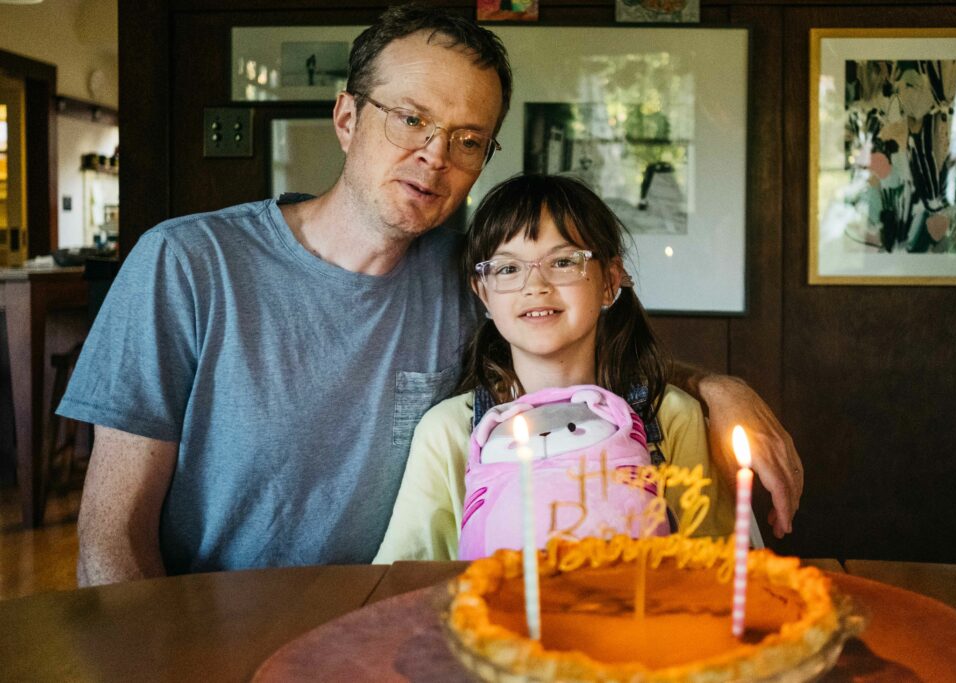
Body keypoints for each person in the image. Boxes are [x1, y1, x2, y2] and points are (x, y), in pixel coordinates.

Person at [60, 4, 801, 586]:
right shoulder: (188, 263)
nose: (435, 156)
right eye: (411, 118)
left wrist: (714, 386)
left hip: (382, 627)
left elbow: (581, 357)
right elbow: (110, 534)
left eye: (468, 139)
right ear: (348, 118)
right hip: (216, 627)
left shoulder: (471, 272)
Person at [374, 174, 734, 562]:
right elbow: (405, 575)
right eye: (508, 269)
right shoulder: (449, 431)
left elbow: (714, 567)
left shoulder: (671, 416)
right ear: (483, 293)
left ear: (610, 281)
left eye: (562, 262)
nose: (536, 285)